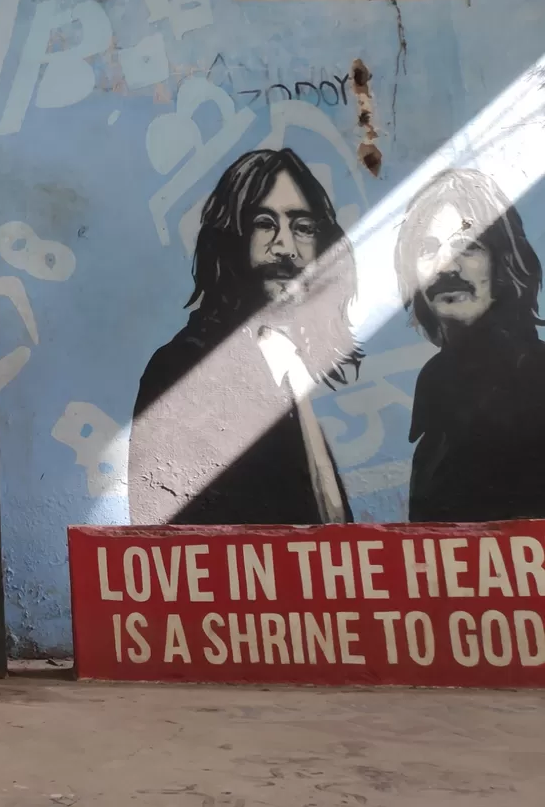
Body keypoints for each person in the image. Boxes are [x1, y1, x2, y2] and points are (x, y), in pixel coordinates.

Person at [128, 148, 363, 526]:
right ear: (231, 239)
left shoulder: (293, 370)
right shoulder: (182, 369)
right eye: (265, 223)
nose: (285, 247)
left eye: (302, 227)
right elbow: (165, 542)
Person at [394, 168, 545, 522]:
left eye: (468, 246)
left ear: (504, 263)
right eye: (428, 249)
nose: (446, 265)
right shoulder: (436, 388)